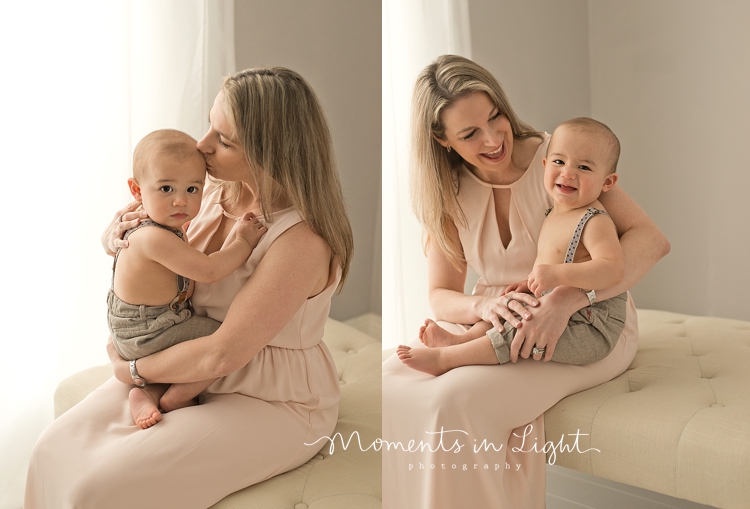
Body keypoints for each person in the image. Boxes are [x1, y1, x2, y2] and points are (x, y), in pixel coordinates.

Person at [25, 67, 353, 509]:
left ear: (267, 152)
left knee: (96, 490)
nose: (202, 144)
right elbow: (138, 227)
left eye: (224, 139)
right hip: (185, 366)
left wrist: (133, 371)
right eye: (211, 124)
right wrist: (115, 233)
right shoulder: (206, 193)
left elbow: (223, 353)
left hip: (271, 397)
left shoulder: (302, 242)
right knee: (50, 450)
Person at [382, 55, 669, 508]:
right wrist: (482, 308)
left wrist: (568, 300)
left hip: (583, 321)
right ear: (441, 140)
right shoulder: (447, 190)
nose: (494, 138)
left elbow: (651, 241)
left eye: (494, 117)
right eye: (470, 133)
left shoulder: (560, 160)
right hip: (501, 318)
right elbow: (440, 294)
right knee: (392, 380)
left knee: (456, 400)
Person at [397, 118, 627, 375]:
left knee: (519, 333)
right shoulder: (555, 212)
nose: (568, 173)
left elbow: (613, 270)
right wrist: (529, 286)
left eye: (583, 167)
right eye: (559, 162)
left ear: (607, 183)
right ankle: (465, 340)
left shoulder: (594, 219)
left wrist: (558, 275)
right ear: (544, 165)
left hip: (591, 323)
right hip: (557, 306)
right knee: (510, 307)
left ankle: (448, 358)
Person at [109, 129, 267, 429]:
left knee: (222, 344)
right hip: (147, 332)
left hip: (142, 326)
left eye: (192, 190)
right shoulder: (154, 237)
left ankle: (149, 393)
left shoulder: (160, 222)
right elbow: (208, 270)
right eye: (166, 189)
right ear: (137, 190)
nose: (180, 201)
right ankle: (177, 398)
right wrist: (244, 242)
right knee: (221, 341)